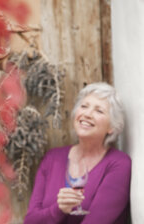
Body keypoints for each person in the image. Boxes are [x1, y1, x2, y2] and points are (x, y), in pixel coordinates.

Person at [24, 82, 131, 224]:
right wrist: (58, 209)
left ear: (111, 127)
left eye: (99, 111)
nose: (87, 114)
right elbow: (30, 220)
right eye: (84, 106)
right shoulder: (52, 158)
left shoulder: (118, 164)